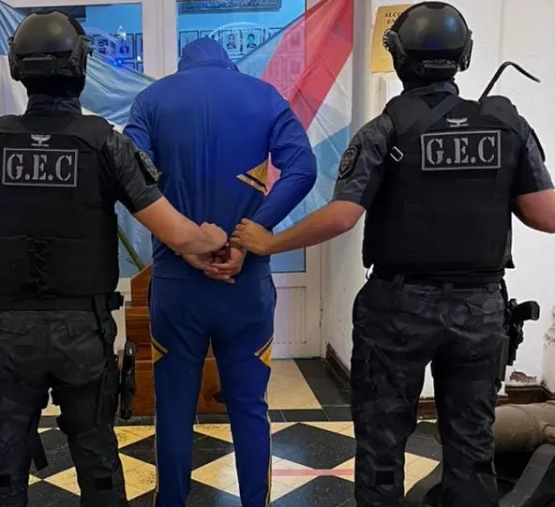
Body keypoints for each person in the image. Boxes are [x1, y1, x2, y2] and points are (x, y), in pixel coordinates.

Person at [230, 3, 555, 506]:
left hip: (397, 310)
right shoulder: (507, 127)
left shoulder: (385, 131)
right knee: (472, 445)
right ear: (464, 56)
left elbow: (342, 216)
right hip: (480, 311)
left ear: (400, 59)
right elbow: (545, 214)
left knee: (382, 443)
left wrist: (269, 242)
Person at [0, 10, 228, 507]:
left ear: (18, 69)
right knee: (97, 459)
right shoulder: (106, 143)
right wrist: (208, 238)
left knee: (2, 468)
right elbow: (177, 234)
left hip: (9, 332)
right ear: (81, 67)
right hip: (83, 333)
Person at [123, 37, 317, 507]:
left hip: (176, 283)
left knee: (173, 409)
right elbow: (303, 168)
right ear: (228, 63)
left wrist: (184, 241)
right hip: (245, 282)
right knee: (249, 408)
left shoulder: (151, 101)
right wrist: (254, 232)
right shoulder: (265, 97)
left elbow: (128, 176)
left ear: (182, 65)